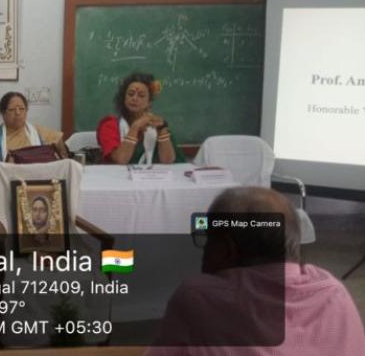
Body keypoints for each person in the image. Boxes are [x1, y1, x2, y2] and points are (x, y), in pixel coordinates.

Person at [145, 187, 365, 355]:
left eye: (208, 240)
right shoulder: (333, 291)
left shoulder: (198, 297)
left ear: (226, 249)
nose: (204, 250)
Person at [97, 72, 184, 164]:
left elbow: (167, 161)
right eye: (130, 94)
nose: (134, 98)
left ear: (149, 103)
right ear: (124, 98)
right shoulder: (110, 125)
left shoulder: (155, 124)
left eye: (141, 95)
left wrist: (162, 131)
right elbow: (121, 160)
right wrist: (135, 127)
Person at [0, 92, 68, 167]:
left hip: (35, 177)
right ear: (3, 113)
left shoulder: (37, 131)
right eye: (12, 109)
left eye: (22, 109)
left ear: (26, 111)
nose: (18, 113)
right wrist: (5, 165)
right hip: (7, 177)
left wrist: (61, 158)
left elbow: (59, 140)